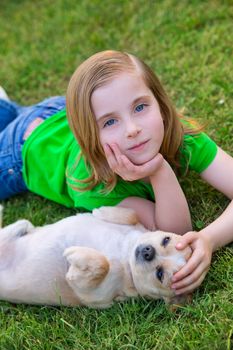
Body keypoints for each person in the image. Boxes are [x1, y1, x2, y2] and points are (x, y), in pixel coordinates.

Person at [0, 50, 232, 297]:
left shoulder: (185, 137)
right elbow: (174, 233)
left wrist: (208, 239)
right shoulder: (92, 183)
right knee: (14, 120)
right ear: (91, 138)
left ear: (161, 103)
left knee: (11, 114)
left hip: (58, 112)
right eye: (110, 122)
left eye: (140, 106)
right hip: (23, 150)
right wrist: (160, 170)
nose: (132, 129)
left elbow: (173, 238)